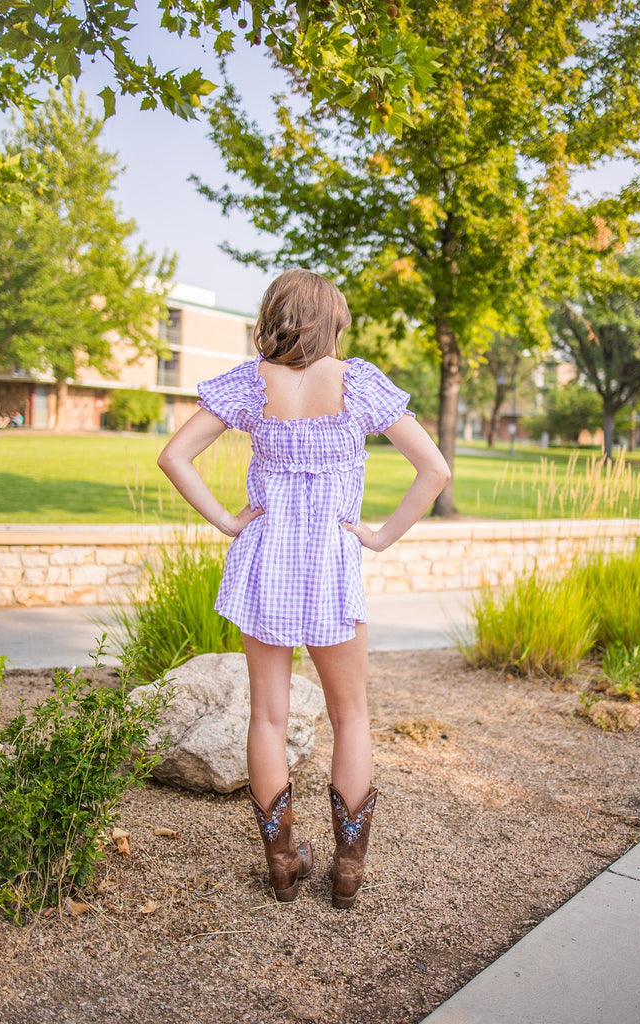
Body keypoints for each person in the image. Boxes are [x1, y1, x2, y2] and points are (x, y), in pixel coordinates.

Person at [157, 269, 451, 908]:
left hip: (265, 562)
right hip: (331, 566)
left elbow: (173, 456)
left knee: (267, 714)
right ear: (333, 321)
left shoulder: (248, 382)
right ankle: (347, 871)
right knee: (352, 715)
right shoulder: (357, 384)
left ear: (275, 315)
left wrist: (231, 522)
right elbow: (434, 469)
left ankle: (283, 863)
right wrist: (377, 537)